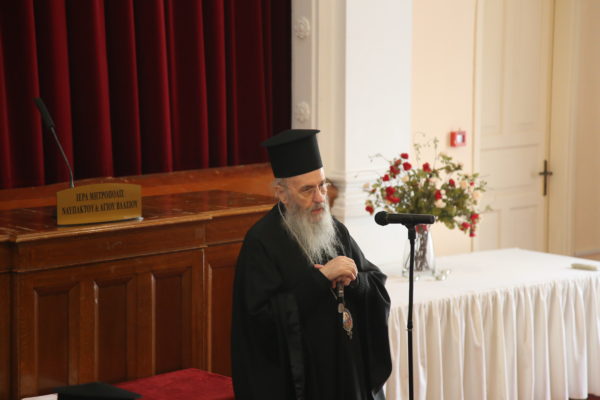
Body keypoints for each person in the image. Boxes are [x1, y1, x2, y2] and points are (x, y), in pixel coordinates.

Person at [231, 129, 392, 399]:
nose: (319, 197)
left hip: (346, 370)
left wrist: (356, 281)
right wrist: (320, 280)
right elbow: (259, 322)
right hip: (304, 382)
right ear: (282, 194)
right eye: (307, 189)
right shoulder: (262, 242)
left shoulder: (335, 229)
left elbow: (374, 281)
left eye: (322, 185)